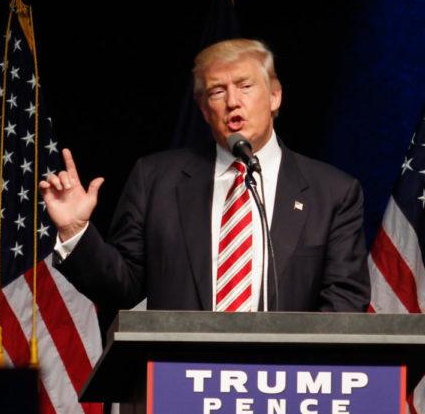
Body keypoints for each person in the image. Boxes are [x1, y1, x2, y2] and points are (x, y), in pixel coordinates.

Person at [40, 39, 370, 312]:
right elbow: (121, 288)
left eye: (245, 86)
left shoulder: (333, 192)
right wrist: (74, 230)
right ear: (203, 108)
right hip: (181, 380)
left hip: (286, 383)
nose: (232, 102)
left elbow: (343, 304)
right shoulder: (155, 179)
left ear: (274, 96)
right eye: (217, 91)